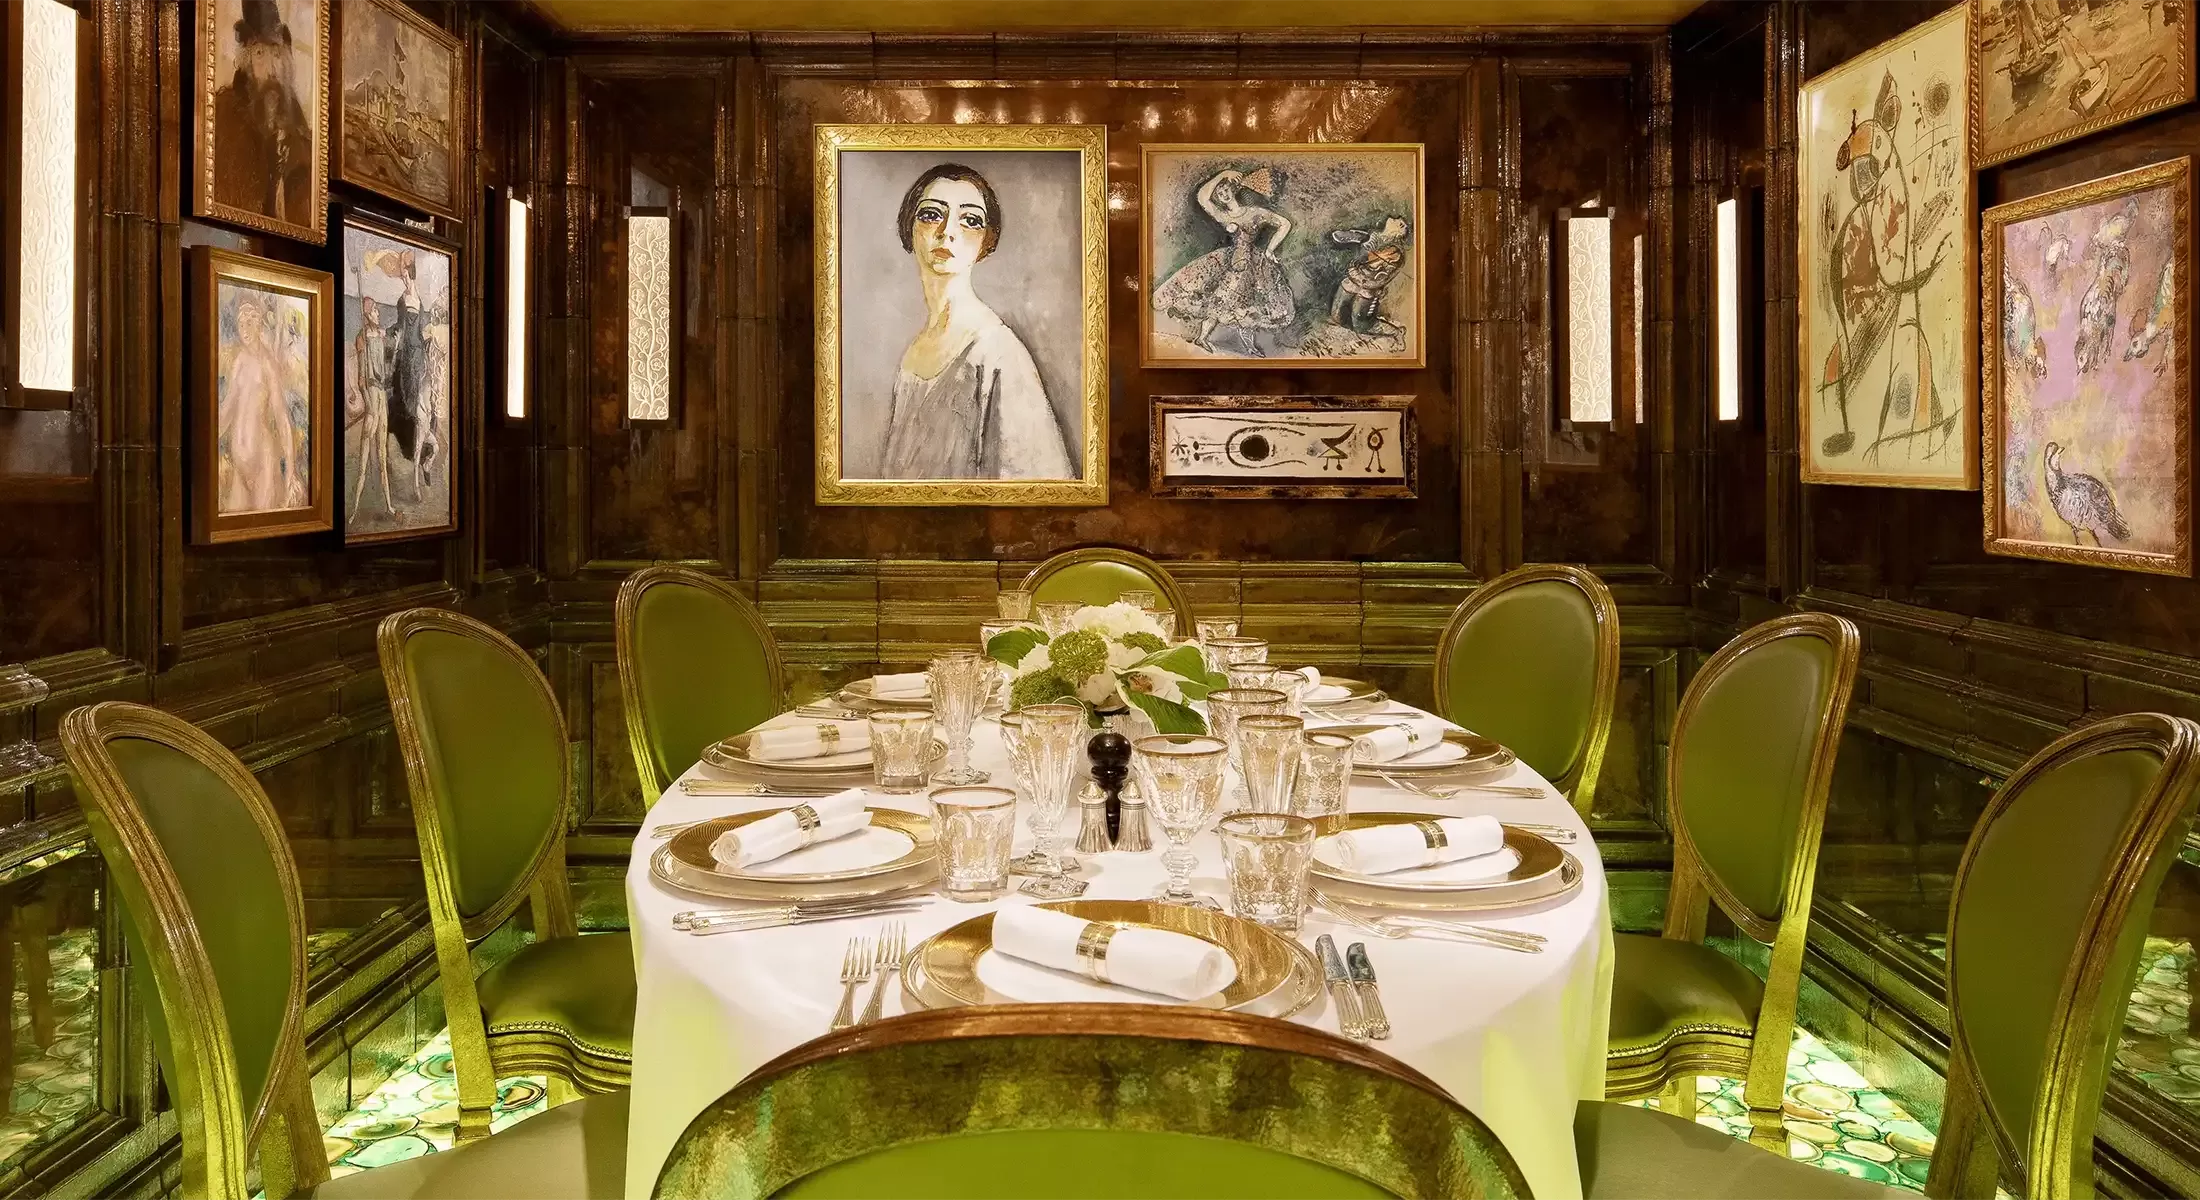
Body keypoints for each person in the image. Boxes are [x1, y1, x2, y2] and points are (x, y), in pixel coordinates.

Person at [876, 163, 1074, 481]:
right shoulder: (914, 353)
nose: (947, 231)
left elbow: (1032, 491)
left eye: (970, 220)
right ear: (908, 229)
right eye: (930, 215)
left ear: (986, 242)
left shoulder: (999, 353)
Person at [1150, 165, 1295, 355]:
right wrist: (1223, 174)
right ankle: (1202, 338)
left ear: (1233, 189)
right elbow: (1202, 197)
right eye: (1219, 193)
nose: (1223, 194)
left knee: (1249, 304)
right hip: (1233, 263)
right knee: (1221, 300)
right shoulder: (1223, 215)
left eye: (1225, 189)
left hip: (1254, 264)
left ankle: (1249, 346)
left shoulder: (1254, 212)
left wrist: (1269, 250)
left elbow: (1285, 223)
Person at [212, 0, 315, 229]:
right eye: (260, 54)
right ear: (246, 63)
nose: (271, 70)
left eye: (277, 55)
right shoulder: (224, 117)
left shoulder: (300, 131)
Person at [219, 293, 300, 515]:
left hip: (263, 461)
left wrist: (290, 472)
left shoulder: (267, 364)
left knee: (263, 526)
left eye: (249, 322)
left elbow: (282, 419)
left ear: (258, 322)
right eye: (240, 323)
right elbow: (227, 409)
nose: (244, 329)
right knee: (233, 521)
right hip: (239, 465)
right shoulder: (238, 362)